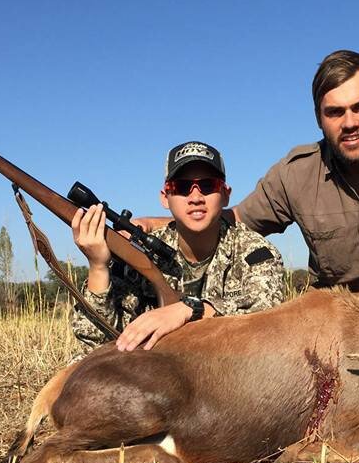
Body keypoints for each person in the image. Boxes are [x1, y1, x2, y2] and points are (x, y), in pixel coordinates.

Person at [137, 51, 359, 371]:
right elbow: (231, 221)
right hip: (335, 319)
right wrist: (153, 225)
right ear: (318, 118)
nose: (349, 123)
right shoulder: (296, 172)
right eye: (335, 112)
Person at [71, 141, 286, 354]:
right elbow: (93, 345)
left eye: (208, 185)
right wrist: (98, 266)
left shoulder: (255, 251)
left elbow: (268, 313)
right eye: (182, 187)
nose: (195, 198)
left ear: (226, 194)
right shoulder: (140, 255)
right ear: (165, 198)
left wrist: (190, 310)